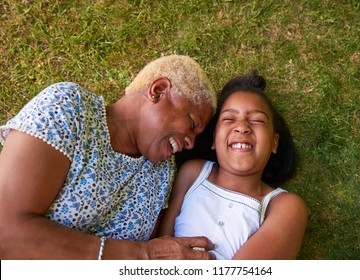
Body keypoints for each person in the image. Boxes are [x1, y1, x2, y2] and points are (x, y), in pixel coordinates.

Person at [0, 54, 218, 260]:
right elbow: (5, 231)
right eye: (191, 124)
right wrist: (143, 255)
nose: (190, 142)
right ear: (158, 90)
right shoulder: (68, 109)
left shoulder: (162, 174)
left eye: (196, 136)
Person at [158, 71, 308, 259]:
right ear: (214, 138)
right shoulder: (192, 173)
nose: (242, 127)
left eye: (257, 120)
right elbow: (161, 246)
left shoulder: (284, 206)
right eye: (229, 119)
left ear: (274, 143)